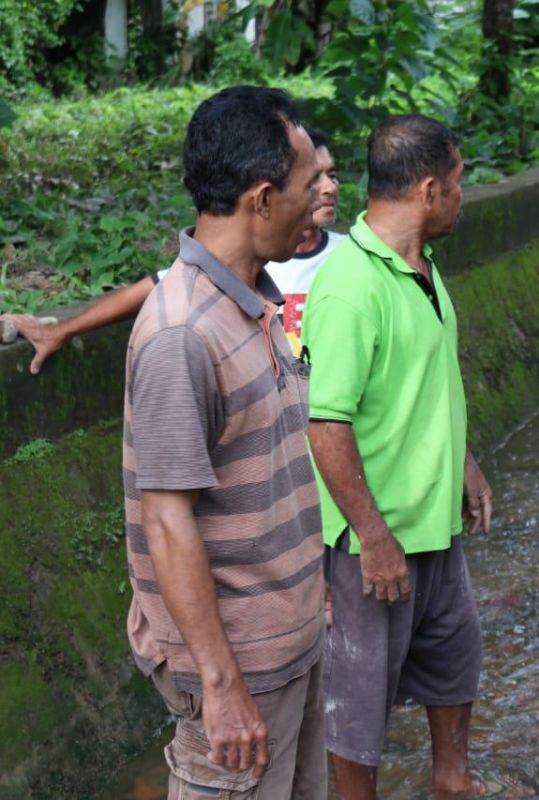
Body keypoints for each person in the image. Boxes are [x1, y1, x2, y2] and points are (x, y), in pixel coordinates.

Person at [304, 115, 525, 800]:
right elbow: (325, 420)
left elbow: (421, 381)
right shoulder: (350, 286)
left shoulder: (421, 270)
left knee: (455, 663)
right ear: (429, 190)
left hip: (434, 528)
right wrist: (372, 536)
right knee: (358, 703)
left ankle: (452, 782)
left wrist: (461, 458)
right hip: (373, 541)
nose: (463, 194)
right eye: (458, 182)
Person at [122, 86, 327, 799]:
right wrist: (221, 686)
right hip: (241, 668)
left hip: (290, 642)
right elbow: (168, 521)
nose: (319, 200)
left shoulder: (256, 301)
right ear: (263, 199)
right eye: (308, 186)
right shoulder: (183, 336)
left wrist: (311, 596)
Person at [0, 130, 344, 370]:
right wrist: (60, 330)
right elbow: (152, 289)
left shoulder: (351, 258)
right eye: (314, 180)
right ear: (267, 195)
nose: (327, 189)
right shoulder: (239, 267)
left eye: (333, 175)